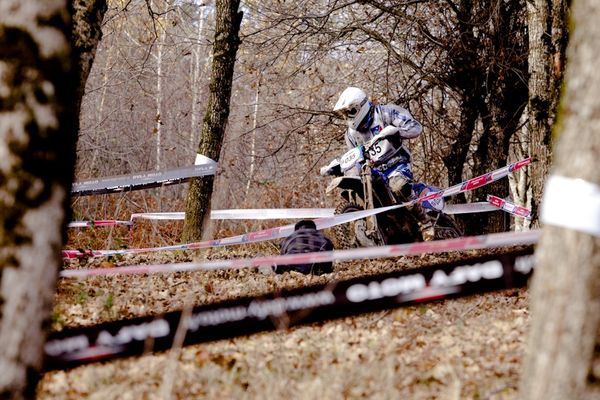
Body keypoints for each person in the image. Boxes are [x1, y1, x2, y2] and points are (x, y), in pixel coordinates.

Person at [320, 86, 435, 241]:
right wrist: (336, 166)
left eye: (350, 111)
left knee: (398, 185)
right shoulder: (351, 134)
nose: (348, 116)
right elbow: (353, 156)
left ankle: (424, 221)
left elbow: (415, 128)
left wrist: (396, 131)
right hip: (374, 171)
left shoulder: (386, 112)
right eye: (345, 113)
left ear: (360, 106)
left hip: (397, 163)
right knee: (363, 190)